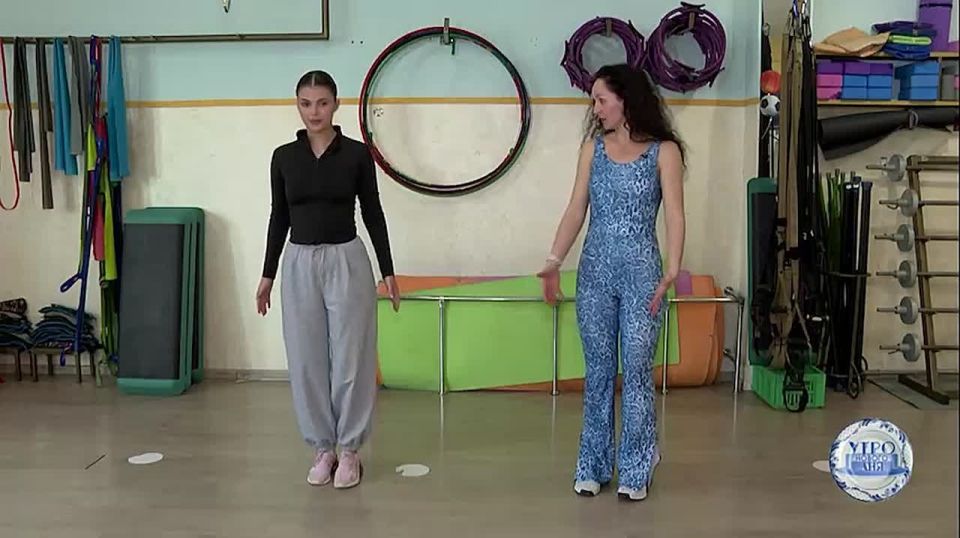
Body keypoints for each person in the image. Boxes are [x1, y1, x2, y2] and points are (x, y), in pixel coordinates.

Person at [537, 64, 686, 501]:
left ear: (626, 99)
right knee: (599, 370)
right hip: (595, 274)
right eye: (594, 101)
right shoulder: (593, 150)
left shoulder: (664, 152)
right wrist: (553, 261)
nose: (596, 109)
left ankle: (638, 464)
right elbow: (575, 208)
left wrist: (673, 268)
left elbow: (675, 213)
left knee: (637, 368)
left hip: (643, 275)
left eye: (601, 100)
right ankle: (594, 463)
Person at [255, 70, 401, 489]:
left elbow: (373, 212)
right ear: (297, 105)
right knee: (306, 359)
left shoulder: (357, 155)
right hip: (299, 262)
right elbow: (279, 216)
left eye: (322, 103)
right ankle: (323, 448)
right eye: (306, 103)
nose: (314, 111)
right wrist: (267, 274)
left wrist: (388, 271)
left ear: (336, 104)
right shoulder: (284, 157)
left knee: (352, 357)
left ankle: (350, 450)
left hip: (347, 260)